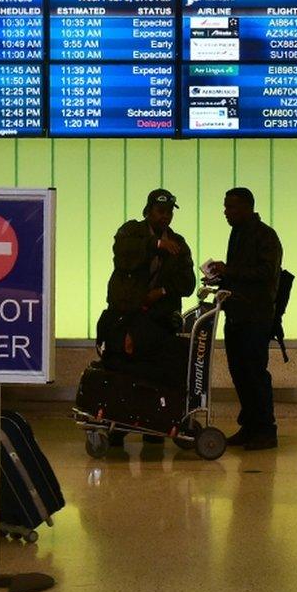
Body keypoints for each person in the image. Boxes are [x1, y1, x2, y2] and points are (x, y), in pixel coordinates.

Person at [102, 188, 195, 443]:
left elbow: (187, 283)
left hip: (158, 320)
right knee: (123, 371)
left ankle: (155, 427)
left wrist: (162, 291)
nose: (165, 217)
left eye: (168, 213)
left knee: (156, 373)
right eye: (160, 211)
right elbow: (123, 256)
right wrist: (155, 245)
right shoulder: (131, 231)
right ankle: (117, 427)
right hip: (127, 316)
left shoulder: (179, 243)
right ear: (149, 210)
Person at [208, 187, 283, 451]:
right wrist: (221, 278)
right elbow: (242, 273)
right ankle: (250, 425)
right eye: (225, 206)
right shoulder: (238, 233)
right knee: (239, 372)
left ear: (248, 207)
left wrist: (231, 271)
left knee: (254, 372)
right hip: (237, 313)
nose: (226, 212)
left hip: (256, 316)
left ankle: (266, 429)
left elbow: (265, 272)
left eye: (232, 207)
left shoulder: (265, 236)